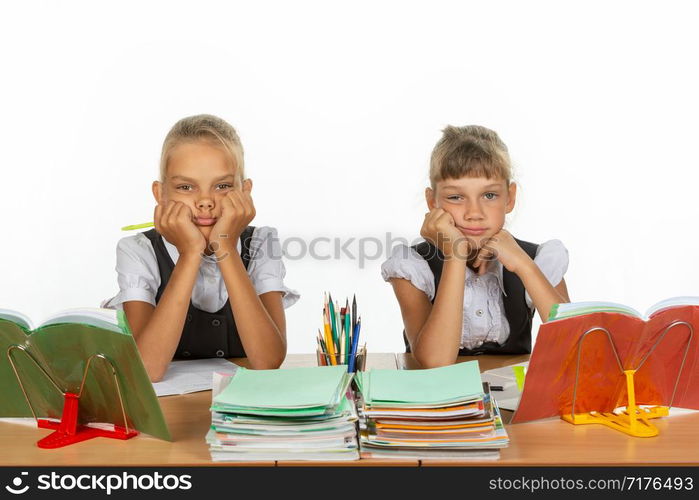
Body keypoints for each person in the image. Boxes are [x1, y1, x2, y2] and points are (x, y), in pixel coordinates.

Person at [103, 114, 298, 381]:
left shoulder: (261, 242)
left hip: (240, 408)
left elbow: (268, 362)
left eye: (222, 186)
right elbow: (146, 370)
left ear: (245, 191)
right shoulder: (138, 250)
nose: (205, 201)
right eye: (186, 187)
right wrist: (190, 252)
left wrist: (225, 245)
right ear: (160, 194)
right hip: (170, 410)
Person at [381, 125, 569, 368]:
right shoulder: (412, 266)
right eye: (456, 197)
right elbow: (436, 362)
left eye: (489, 195)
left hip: (512, 404)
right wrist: (455, 255)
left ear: (510, 198)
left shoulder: (539, 259)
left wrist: (524, 266)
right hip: (438, 401)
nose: (474, 213)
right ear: (432, 201)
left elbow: (575, 345)